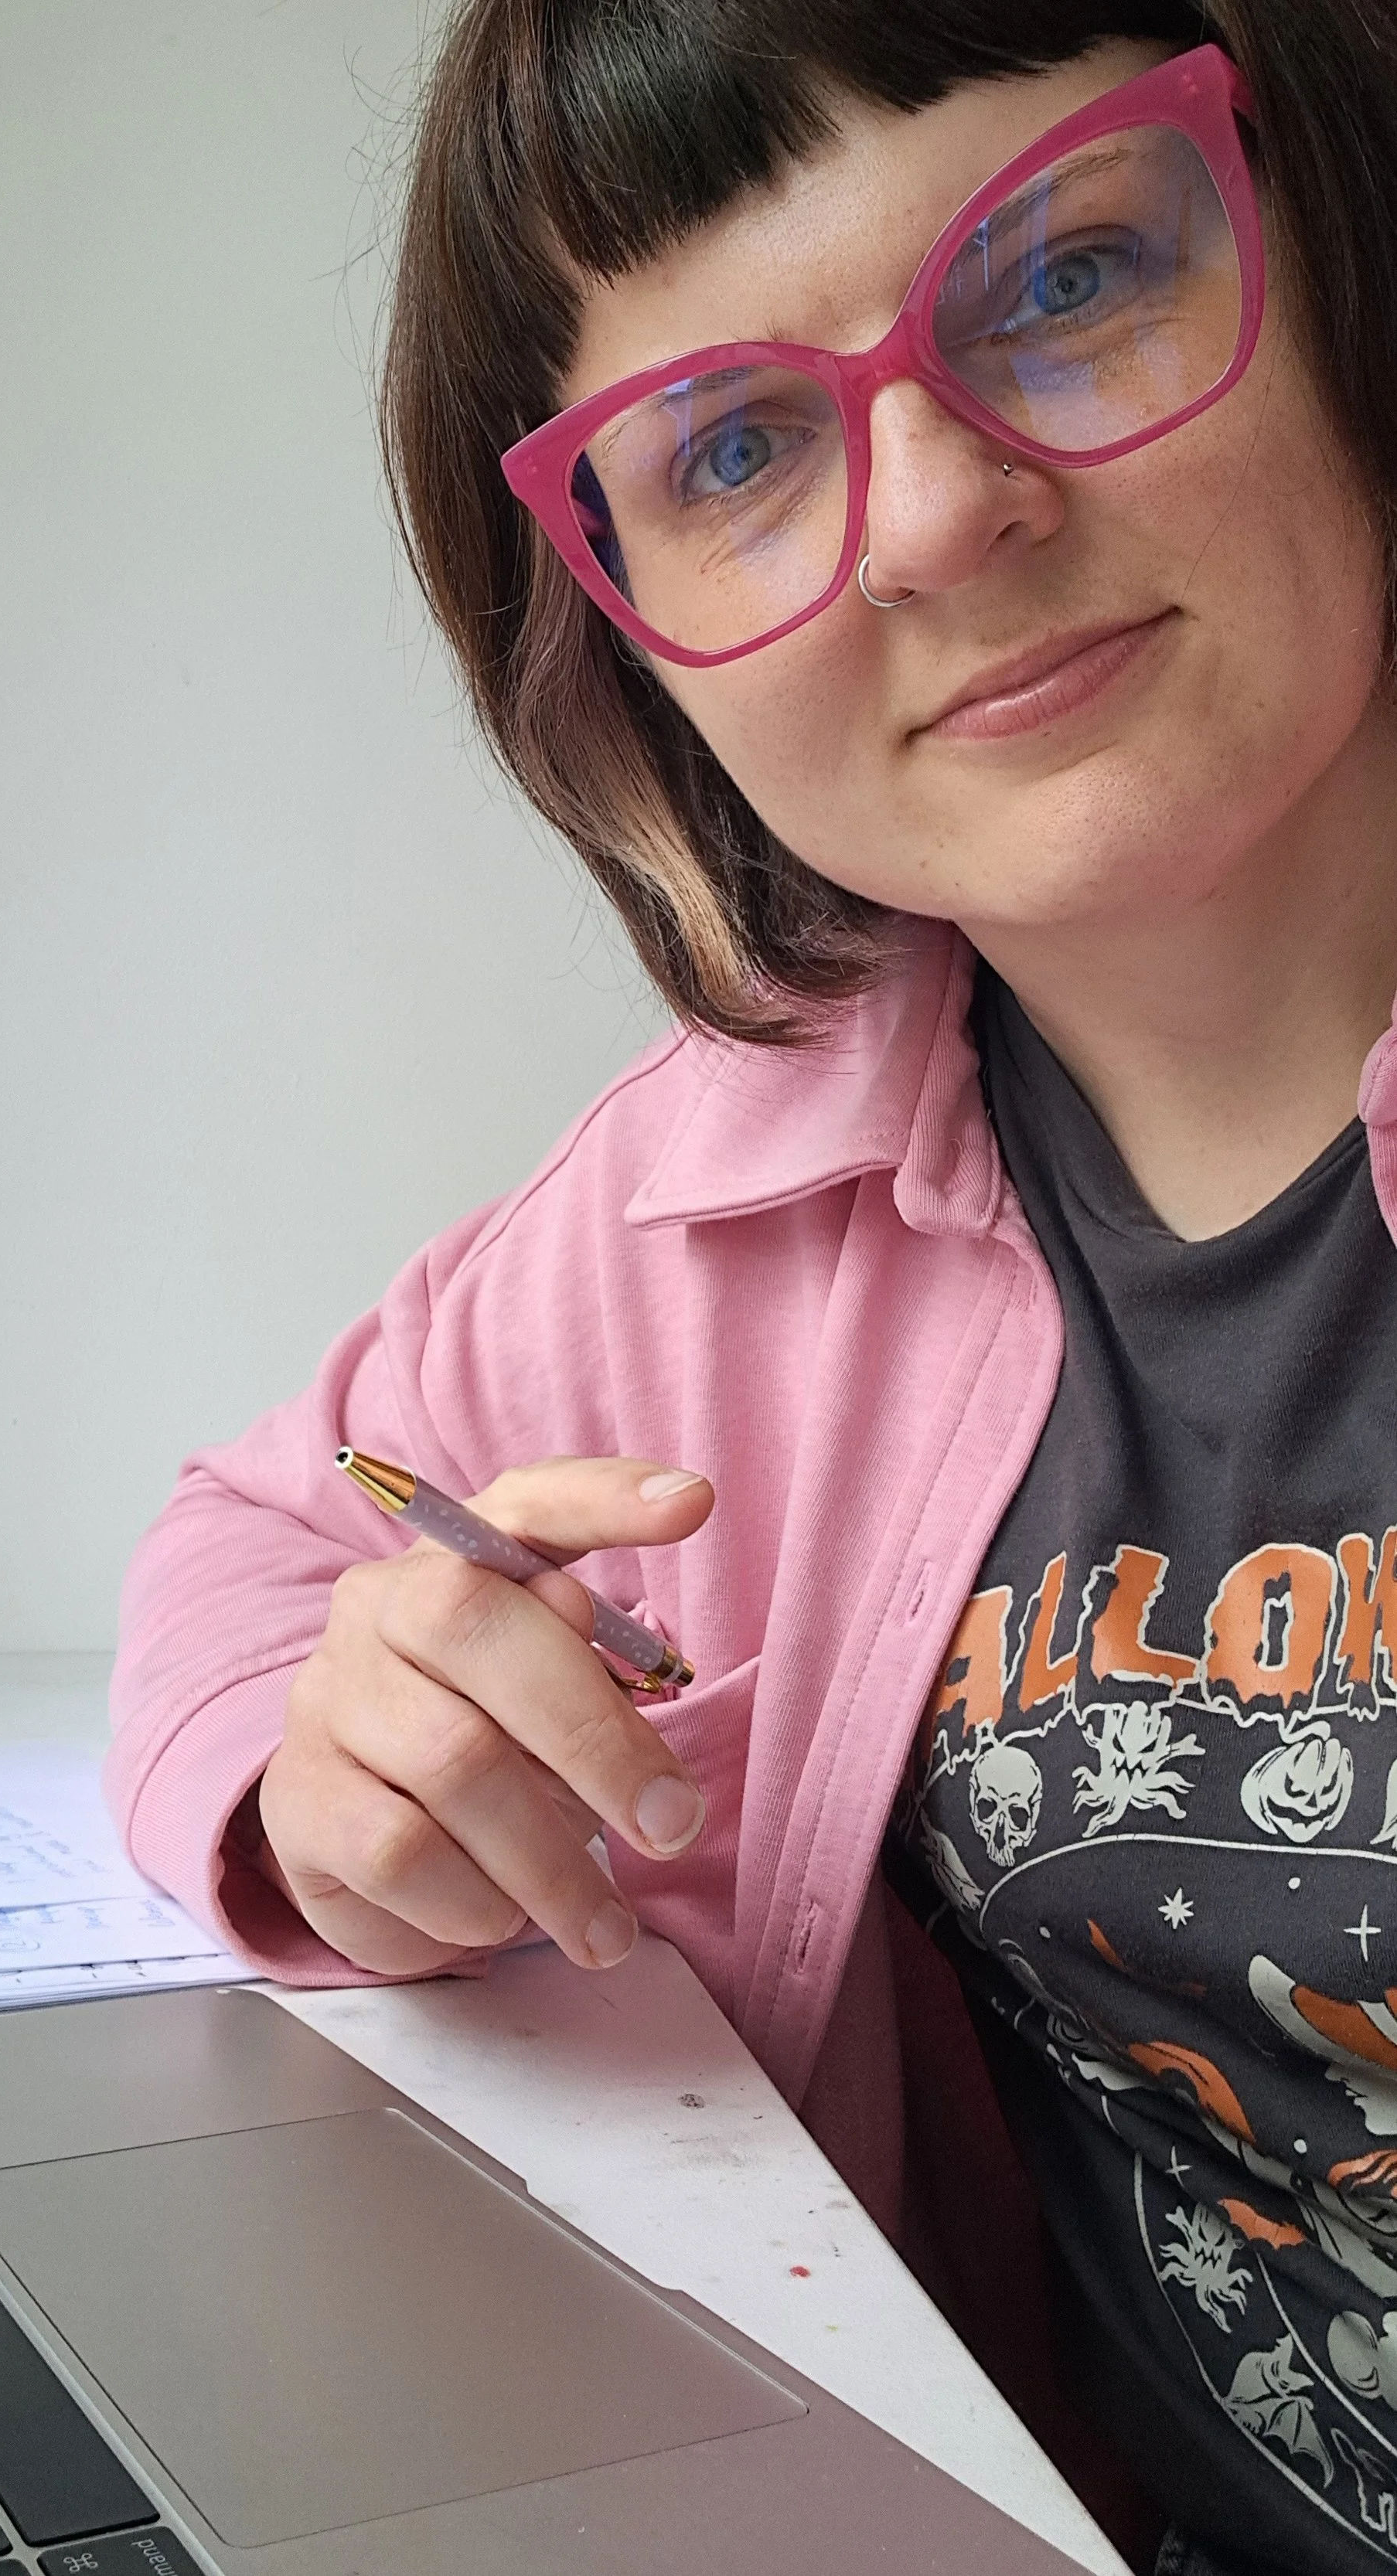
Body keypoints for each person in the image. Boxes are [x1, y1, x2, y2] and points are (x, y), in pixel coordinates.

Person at [107, 5, 1397, 2569]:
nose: (927, 510)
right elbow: (252, 1541)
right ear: (624, 634)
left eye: (1071, 278)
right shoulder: (732, 1191)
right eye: (731, 446)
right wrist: (338, 1762)